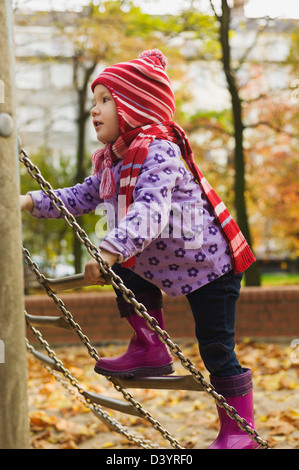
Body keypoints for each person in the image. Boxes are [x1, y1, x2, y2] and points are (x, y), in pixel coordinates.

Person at [20, 49, 259, 449]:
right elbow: (79, 197)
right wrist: (28, 200)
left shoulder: (159, 151)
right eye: (93, 101)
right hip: (165, 262)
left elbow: (151, 209)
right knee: (125, 267)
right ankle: (149, 346)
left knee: (216, 348)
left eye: (105, 100)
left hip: (211, 266)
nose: (94, 110)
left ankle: (239, 431)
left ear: (135, 105)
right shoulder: (112, 163)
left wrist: (110, 249)